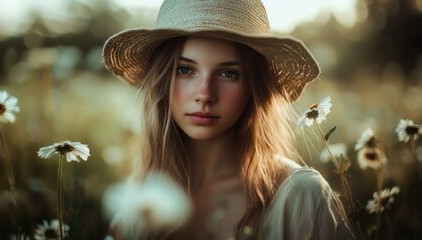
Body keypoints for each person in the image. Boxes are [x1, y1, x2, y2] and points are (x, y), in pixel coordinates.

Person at [102, 0, 354, 239]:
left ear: (253, 87)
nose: (205, 94)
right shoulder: (139, 202)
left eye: (228, 73)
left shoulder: (301, 196)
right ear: (162, 79)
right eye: (185, 69)